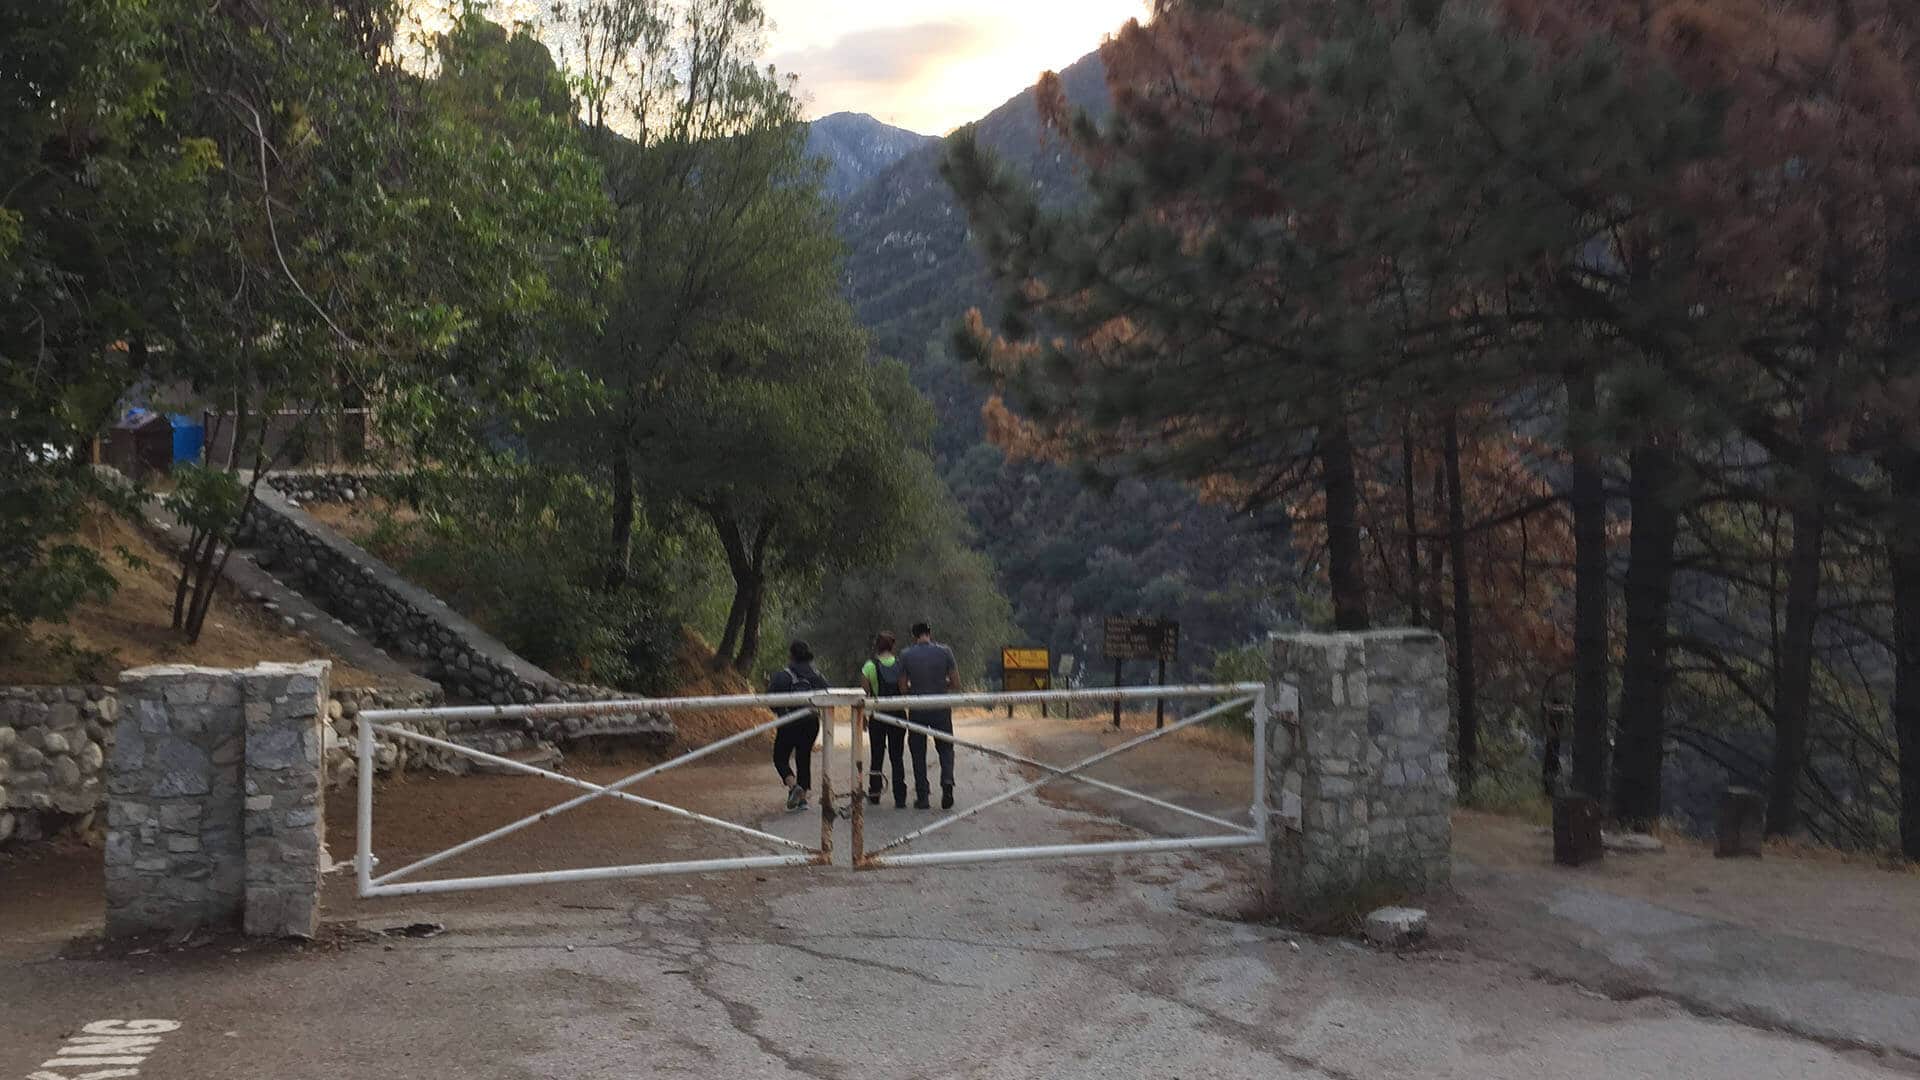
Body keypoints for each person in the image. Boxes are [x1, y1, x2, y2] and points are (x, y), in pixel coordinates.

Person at [898, 621, 960, 809]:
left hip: (918, 708)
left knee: (918, 752)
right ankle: (947, 781)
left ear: (914, 635)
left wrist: (913, 692)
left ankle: (923, 796)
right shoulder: (945, 652)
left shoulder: (906, 655)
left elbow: (902, 686)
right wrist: (942, 687)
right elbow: (956, 682)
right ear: (929, 633)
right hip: (940, 706)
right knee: (946, 747)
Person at [768, 641, 830, 812]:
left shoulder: (783, 676)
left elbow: (771, 701)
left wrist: (781, 712)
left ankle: (794, 786)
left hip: (789, 722)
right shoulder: (816, 675)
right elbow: (828, 693)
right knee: (803, 758)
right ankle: (802, 800)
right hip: (811, 723)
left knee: (780, 757)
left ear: (791, 655)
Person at [860, 631, 907, 808]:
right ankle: (900, 797)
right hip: (898, 714)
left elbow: (864, 694)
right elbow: (903, 691)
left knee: (877, 755)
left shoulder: (869, 666)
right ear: (893, 646)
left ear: (876, 646)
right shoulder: (900, 665)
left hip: (878, 716)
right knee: (897, 756)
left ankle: (875, 793)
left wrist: (864, 717)